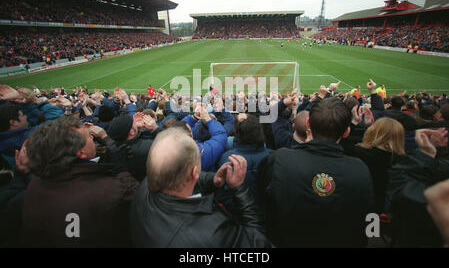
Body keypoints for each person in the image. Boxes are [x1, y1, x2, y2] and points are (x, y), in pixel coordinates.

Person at [257, 97, 375, 247]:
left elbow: (262, 201)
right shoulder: (360, 170)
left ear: (308, 125)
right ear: (346, 132)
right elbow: (369, 222)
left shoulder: (279, 159)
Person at [130, 127, 272, 247]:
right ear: (195, 172)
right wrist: (239, 188)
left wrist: (213, 180)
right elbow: (258, 243)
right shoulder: (212, 234)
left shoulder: (145, 186)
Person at [21, 116, 139, 247]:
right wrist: (122, 170)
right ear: (81, 152)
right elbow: (138, 199)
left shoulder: (35, 183)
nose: (92, 139)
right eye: (89, 137)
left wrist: (106, 161)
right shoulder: (108, 192)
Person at [344, 117, 408, 214]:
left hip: (355, 204)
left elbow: (341, 141)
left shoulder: (358, 153)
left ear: (372, 131)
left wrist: (354, 123)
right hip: (382, 208)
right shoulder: (403, 161)